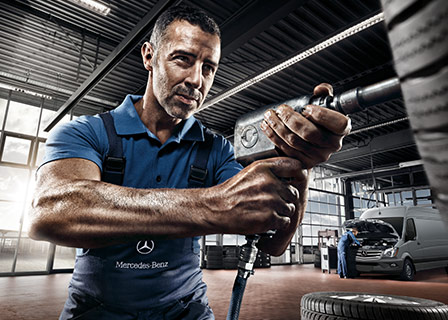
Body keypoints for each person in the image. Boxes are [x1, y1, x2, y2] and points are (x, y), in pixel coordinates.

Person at [29, 5, 350, 320]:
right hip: (97, 308)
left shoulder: (216, 151)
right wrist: (211, 206)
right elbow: (50, 212)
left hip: (186, 310)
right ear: (148, 56)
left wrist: (299, 165)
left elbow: (273, 241)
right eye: (183, 59)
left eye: (208, 67)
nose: (197, 79)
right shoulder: (88, 132)